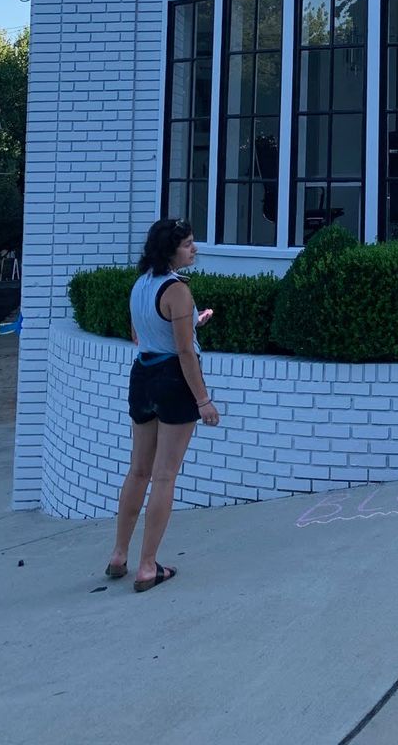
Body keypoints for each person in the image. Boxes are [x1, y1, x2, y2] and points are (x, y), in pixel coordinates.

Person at [104, 218, 219, 592]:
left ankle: (119, 555)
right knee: (165, 475)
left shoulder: (140, 285)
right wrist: (203, 400)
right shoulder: (177, 291)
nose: (194, 249)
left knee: (138, 471)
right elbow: (184, 351)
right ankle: (147, 567)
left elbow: (140, 335)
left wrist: (194, 321)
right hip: (173, 381)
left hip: (143, 377)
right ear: (170, 250)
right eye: (187, 244)